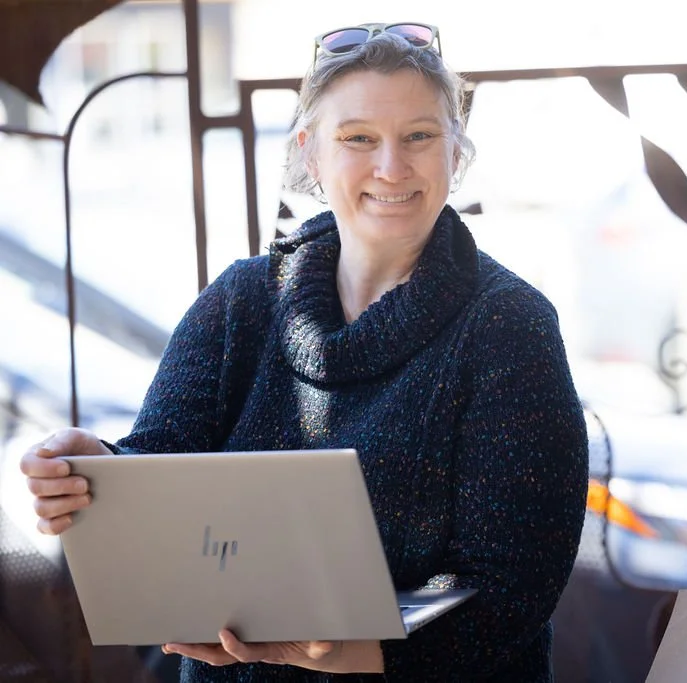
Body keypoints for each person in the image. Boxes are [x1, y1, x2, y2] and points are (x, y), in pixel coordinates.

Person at [20, 22, 589, 682]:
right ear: (310, 154)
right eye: (358, 138)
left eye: (419, 136)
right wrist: (96, 476)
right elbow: (161, 468)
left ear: (454, 153)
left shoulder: (509, 326)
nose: (391, 166)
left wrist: (342, 654)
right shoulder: (239, 301)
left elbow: (514, 586)